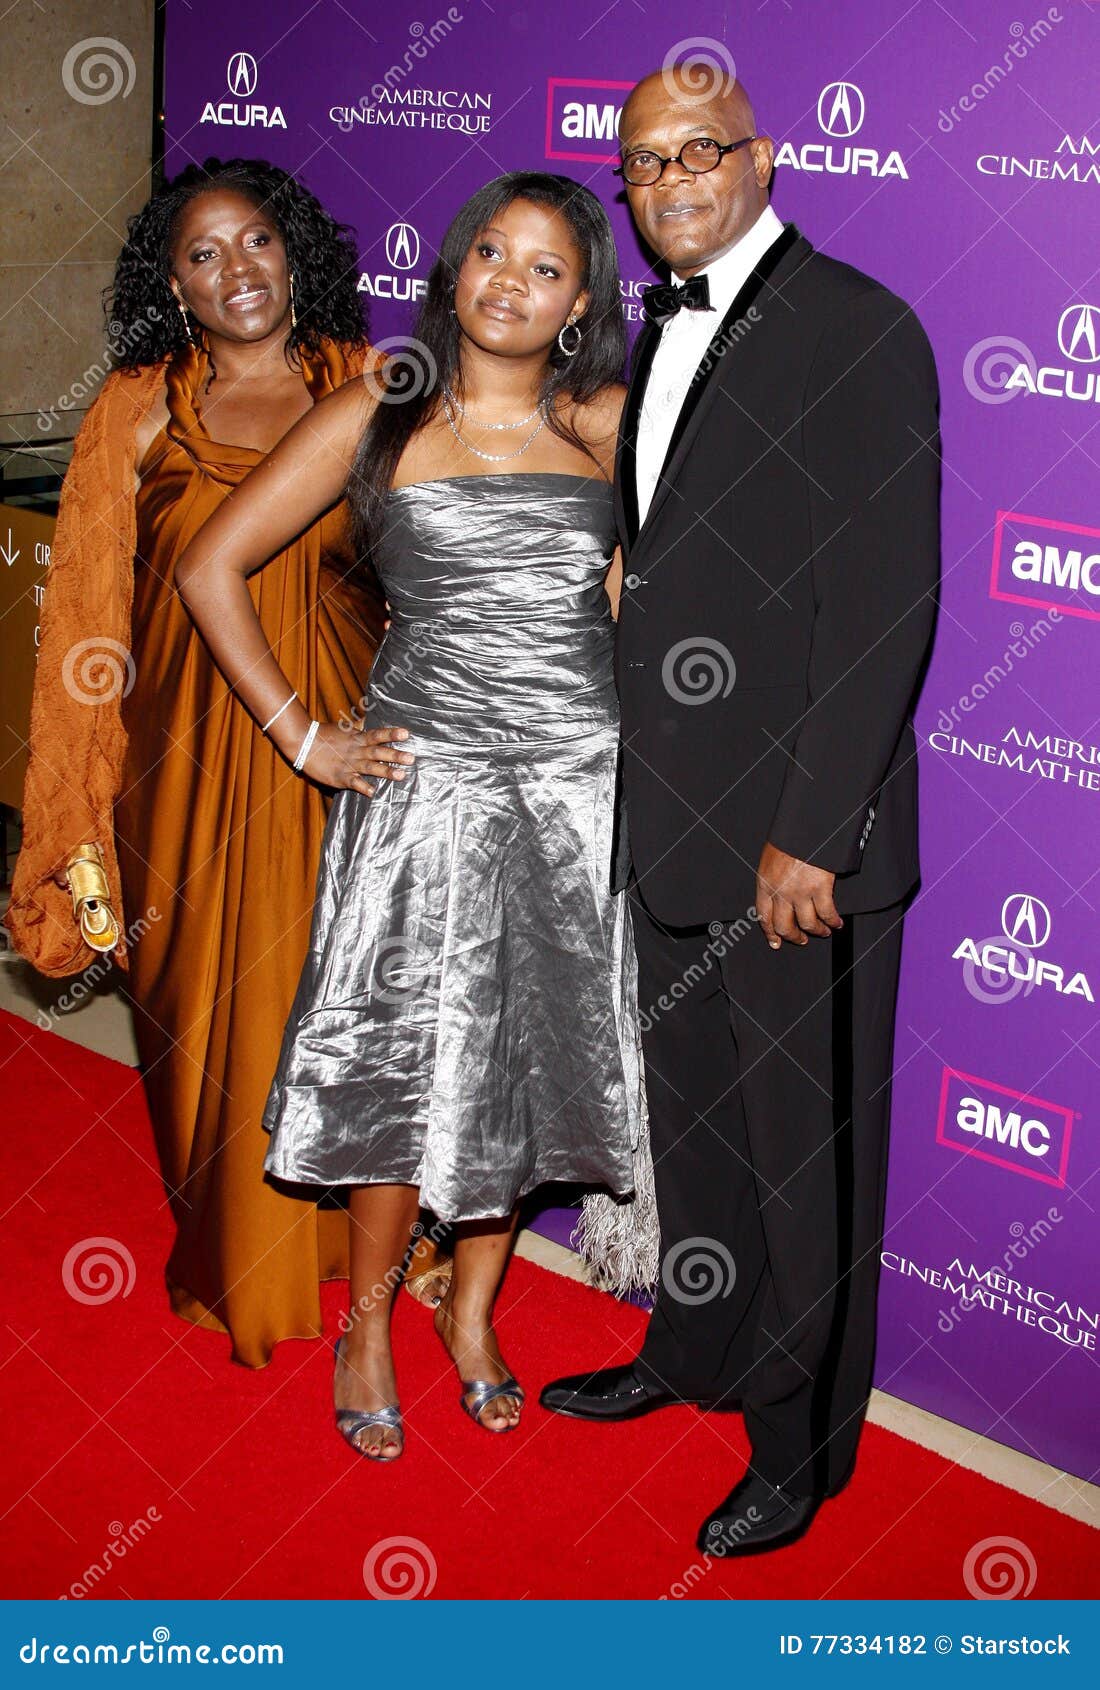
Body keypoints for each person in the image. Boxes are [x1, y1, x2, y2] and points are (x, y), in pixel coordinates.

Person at [174, 171, 644, 1459]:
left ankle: (475, 1315)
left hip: (572, 799)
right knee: (401, 1069)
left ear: (580, 302)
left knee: (533, 1072)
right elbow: (207, 562)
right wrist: (301, 733)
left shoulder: (606, 425)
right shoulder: (382, 407)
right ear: (451, 271)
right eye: (488, 251)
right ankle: (369, 1321)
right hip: (419, 803)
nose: (509, 280)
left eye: (544, 267)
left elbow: (633, 610)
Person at [541, 64, 941, 1555]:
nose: (667, 180)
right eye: (641, 163)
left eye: (697, 151)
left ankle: (803, 1445)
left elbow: (885, 605)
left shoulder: (859, 328)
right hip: (674, 829)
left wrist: (816, 834)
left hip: (793, 852)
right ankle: (693, 1352)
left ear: (763, 160)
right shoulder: (662, 326)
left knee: (806, 1158)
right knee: (702, 1134)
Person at [5, 157, 390, 1367]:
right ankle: (242, 1257)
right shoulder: (138, 402)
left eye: (257, 242)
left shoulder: (364, 379)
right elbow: (82, 609)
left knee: (350, 997)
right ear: (170, 283)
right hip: (178, 758)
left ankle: (366, 1246)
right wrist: (75, 780)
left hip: (349, 735)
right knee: (203, 1003)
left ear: (296, 251)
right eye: (204, 253)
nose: (238, 271)